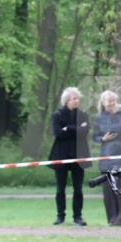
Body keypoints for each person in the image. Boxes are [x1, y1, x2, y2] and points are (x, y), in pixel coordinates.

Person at [47, 87, 91, 226]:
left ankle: (78, 217)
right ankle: (60, 216)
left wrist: (69, 128)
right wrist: (76, 129)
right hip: (62, 154)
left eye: (78, 98)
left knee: (78, 188)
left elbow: (84, 133)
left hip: (79, 154)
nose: (77, 101)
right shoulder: (57, 115)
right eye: (74, 98)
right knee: (61, 188)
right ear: (67, 100)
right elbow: (58, 134)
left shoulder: (83, 115)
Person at [93, 90, 121, 226]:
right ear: (103, 103)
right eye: (109, 101)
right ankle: (112, 218)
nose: (112, 103)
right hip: (106, 159)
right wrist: (103, 138)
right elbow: (95, 137)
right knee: (108, 191)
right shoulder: (99, 117)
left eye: (113, 100)